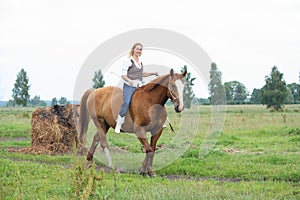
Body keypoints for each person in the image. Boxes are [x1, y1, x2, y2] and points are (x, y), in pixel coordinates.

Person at [115, 43, 158, 133]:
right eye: (137, 49)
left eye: (140, 49)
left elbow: (141, 74)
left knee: (149, 100)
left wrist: (152, 73)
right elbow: (123, 75)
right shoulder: (127, 61)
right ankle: (119, 123)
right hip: (129, 86)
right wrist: (130, 81)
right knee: (126, 103)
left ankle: (153, 121)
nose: (139, 51)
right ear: (133, 49)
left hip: (139, 85)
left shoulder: (140, 62)